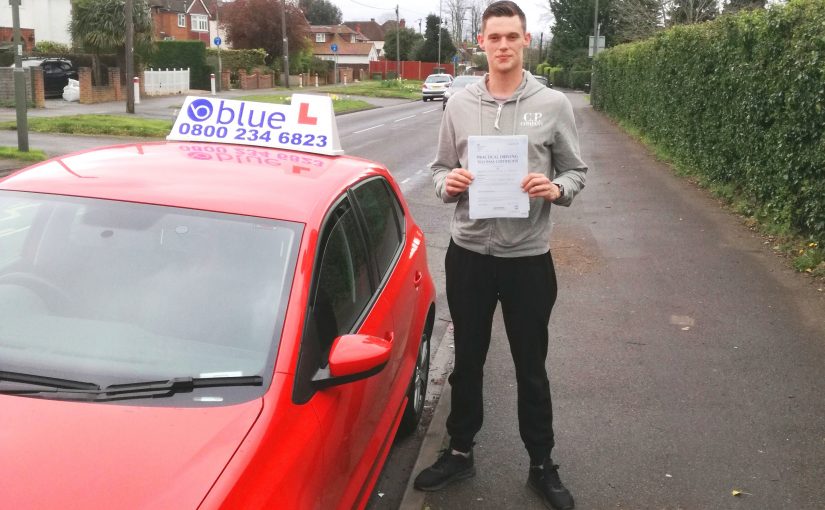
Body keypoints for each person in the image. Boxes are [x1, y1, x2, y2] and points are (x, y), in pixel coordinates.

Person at [412, 2, 587, 509]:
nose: (504, 46)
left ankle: (541, 463)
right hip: (469, 255)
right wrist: (451, 183)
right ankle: (460, 450)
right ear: (482, 44)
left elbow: (576, 172)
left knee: (531, 365)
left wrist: (555, 188)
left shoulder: (553, 104)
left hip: (529, 258)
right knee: (467, 359)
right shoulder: (459, 104)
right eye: (495, 37)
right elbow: (440, 168)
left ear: (526, 41)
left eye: (512, 36)